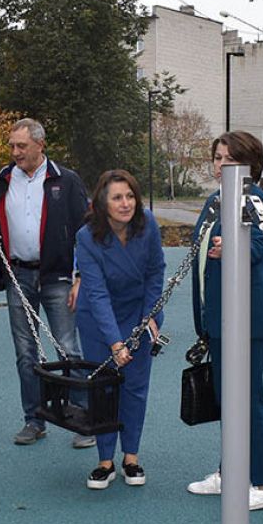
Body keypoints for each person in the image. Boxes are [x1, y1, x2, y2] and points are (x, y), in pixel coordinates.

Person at [0, 118, 93, 448]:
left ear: (40, 145)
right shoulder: (1, 181)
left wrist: (80, 276)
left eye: (22, 146)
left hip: (57, 275)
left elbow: (86, 230)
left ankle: (81, 416)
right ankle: (34, 419)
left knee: (68, 347)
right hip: (18, 275)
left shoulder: (66, 181)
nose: (15, 152)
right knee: (26, 351)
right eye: (12, 146)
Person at [186, 131, 263, 510]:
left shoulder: (253, 198)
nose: (220, 165)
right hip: (220, 319)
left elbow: (261, 243)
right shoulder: (215, 201)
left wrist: (235, 245)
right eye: (217, 158)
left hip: (248, 320)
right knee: (229, 398)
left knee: (246, 398)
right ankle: (232, 473)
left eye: (229, 159)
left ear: (249, 166)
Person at [74, 170, 166, 489]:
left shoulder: (148, 224)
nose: (125, 203)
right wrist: (115, 342)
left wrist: (151, 316)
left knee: (135, 385)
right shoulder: (87, 237)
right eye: (117, 197)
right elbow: (96, 292)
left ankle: (131, 457)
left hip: (139, 312)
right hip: (99, 318)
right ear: (102, 202)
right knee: (104, 386)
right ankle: (104, 460)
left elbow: (156, 272)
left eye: (130, 196)